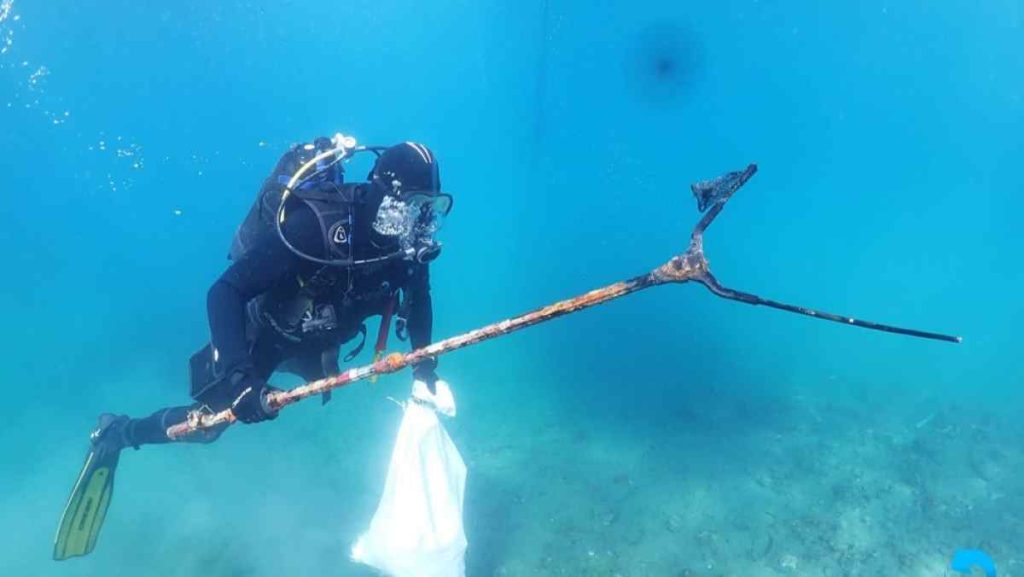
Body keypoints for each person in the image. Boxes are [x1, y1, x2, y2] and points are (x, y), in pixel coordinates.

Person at [53, 136, 454, 560]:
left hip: (321, 339)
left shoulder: (406, 247)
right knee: (207, 426)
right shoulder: (315, 228)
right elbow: (224, 292)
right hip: (268, 335)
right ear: (382, 193)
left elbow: (419, 300)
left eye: (431, 206)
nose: (420, 219)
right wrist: (241, 380)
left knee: (259, 398)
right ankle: (118, 433)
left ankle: (134, 427)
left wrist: (424, 371)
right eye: (412, 203)